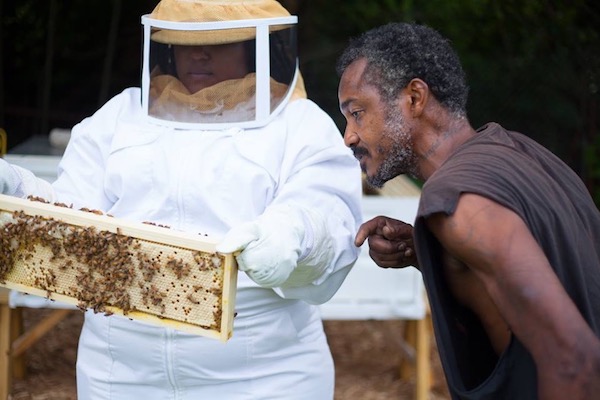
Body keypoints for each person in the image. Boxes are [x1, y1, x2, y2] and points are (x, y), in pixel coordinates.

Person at [0, 0, 363, 398]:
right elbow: (70, 218)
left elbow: (326, 209)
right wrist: (17, 191)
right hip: (120, 372)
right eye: (185, 41)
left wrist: (294, 233)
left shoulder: (299, 124)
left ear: (256, 45)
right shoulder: (120, 117)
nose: (199, 53)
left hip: (262, 375)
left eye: (219, 41)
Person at [336, 22, 600, 400]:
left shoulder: (458, 202)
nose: (349, 135)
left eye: (357, 112)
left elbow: (576, 361)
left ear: (414, 98)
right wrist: (430, 253)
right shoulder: (522, 151)